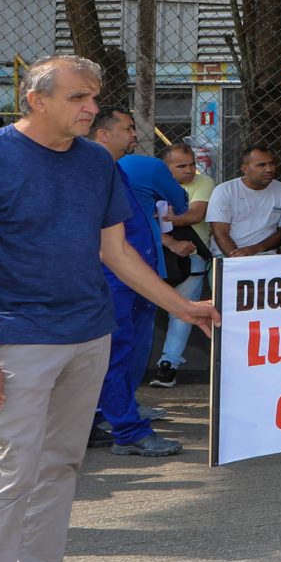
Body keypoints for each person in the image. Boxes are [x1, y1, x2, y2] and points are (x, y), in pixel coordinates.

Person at [0, 56, 217, 562]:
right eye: (78, 98)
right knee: (10, 475)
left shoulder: (95, 162)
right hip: (18, 342)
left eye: (94, 98)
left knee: (62, 465)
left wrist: (183, 306)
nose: (91, 108)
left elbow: (114, 250)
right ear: (36, 99)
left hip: (88, 334)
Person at [85, 107, 186, 458]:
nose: (135, 135)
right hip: (115, 279)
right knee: (117, 354)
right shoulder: (95, 170)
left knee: (122, 355)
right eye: (128, 128)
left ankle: (95, 421)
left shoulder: (114, 169)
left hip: (133, 276)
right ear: (103, 134)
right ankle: (128, 430)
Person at [147, 142, 212, 388]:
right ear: (164, 169)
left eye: (192, 164)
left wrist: (171, 218)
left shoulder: (203, 182)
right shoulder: (149, 185)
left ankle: (169, 364)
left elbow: (195, 214)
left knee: (184, 310)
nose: (189, 170)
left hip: (191, 256)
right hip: (153, 254)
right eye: (181, 166)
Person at [205, 146, 281, 260]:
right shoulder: (224, 190)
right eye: (261, 165)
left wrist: (255, 249)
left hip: (266, 254)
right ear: (245, 168)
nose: (269, 169)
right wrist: (238, 259)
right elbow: (220, 232)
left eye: (271, 164)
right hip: (226, 255)